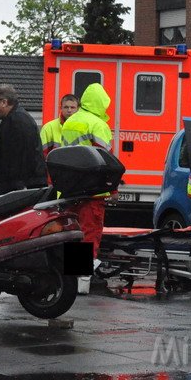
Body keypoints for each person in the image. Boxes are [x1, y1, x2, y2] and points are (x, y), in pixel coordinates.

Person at [60, 83, 112, 256]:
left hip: (71, 189)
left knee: (72, 233)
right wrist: (113, 188)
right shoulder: (98, 125)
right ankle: (82, 279)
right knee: (88, 234)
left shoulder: (70, 121)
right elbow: (105, 160)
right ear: (101, 103)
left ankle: (70, 278)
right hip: (92, 191)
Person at [0, 84, 47, 196]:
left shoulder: (18, 122)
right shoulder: (12, 119)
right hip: (16, 187)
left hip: (19, 189)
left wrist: (19, 188)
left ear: (4, 102)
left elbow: (23, 158)